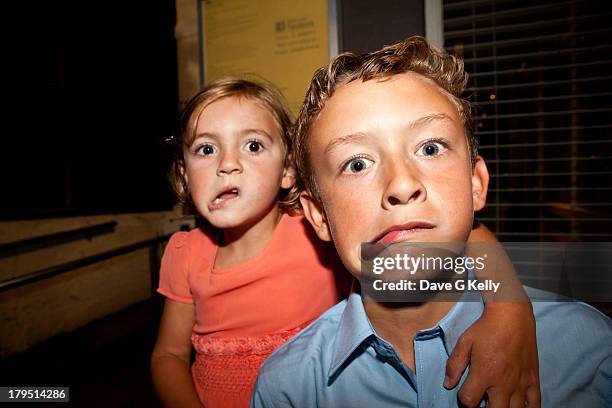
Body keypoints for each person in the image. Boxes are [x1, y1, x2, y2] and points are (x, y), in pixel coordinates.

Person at [251, 37, 612, 407]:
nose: (402, 185)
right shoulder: (289, 388)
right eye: (357, 164)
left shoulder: (590, 352)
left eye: (430, 148)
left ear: (476, 184)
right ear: (319, 216)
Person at [150, 78, 539, 408]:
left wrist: (510, 312)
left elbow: (462, 234)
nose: (227, 164)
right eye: (206, 149)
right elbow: (169, 355)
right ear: (184, 173)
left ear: (288, 170)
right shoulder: (184, 253)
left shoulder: (313, 229)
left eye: (252, 146)